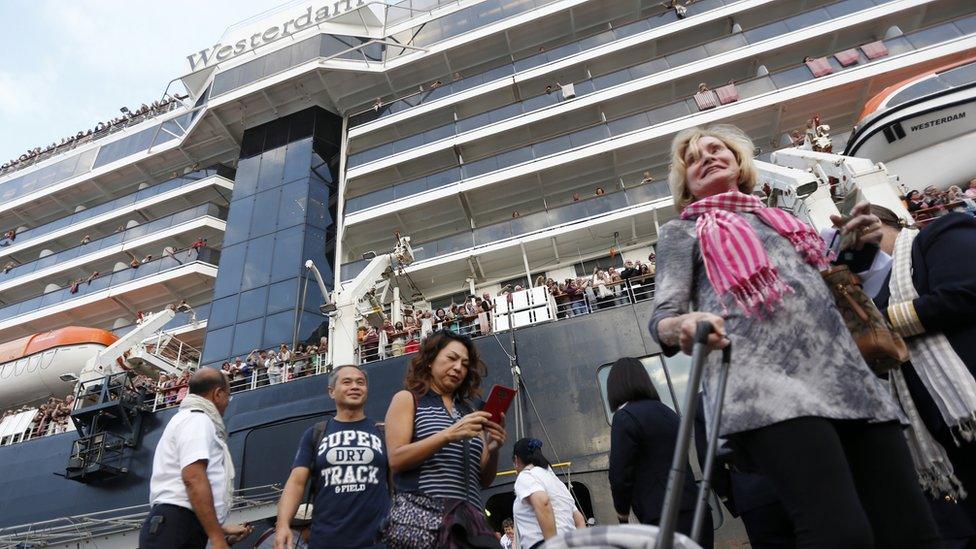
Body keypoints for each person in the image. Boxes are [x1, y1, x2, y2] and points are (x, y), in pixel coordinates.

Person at [649, 124, 939, 547]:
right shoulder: (682, 231)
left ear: (739, 162)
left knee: (911, 526)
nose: (707, 158)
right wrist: (683, 327)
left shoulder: (787, 220)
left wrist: (857, 244)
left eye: (716, 150)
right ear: (685, 183)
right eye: (693, 159)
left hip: (845, 377)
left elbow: (834, 281)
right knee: (840, 534)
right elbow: (664, 315)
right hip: (765, 388)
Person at [865, 205, 976, 545]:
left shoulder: (938, 235)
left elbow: (964, 293)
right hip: (944, 431)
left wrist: (876, 327)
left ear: (879, 223)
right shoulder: (873, 291)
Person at [384, 330, 506, 548]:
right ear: (430, 361)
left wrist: (494, 449)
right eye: (451, 358)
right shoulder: (408, 400)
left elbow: (484, 480)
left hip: (470, 521)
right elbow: (396, 459)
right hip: (422, 519)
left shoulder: (470, 410)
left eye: (465, 363)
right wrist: (449, 434)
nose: (458, 367)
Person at [274, 365, 390, 549]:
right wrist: (282, 526)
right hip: (326, 542)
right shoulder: (315, 434)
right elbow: (296, 483)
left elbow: (395, 484)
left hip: (378, 542)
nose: (355, 386)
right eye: (347, 382)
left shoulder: (383, 432)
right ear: (331, 392)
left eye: (360, 382)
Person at [605, 358, 712, 547]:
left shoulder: (625, 417)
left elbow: (620, 473)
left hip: (663, 516)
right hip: (698, 509)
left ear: (614, 387)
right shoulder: (668, 413)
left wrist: (622, 512)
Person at [139, 369, 252, 548]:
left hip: (177, 525)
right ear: (218, 394)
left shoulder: (186, 418)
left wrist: (222, 532)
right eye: (227, 397)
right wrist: (217, 538)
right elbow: (193, 477)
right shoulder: (198, 419)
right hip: (177, 525)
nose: (227, 403)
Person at [511, 438, 584, 548]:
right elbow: (579, 520)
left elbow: (542, 502)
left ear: (516, 460)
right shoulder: (557, 482)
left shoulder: (526, 476)